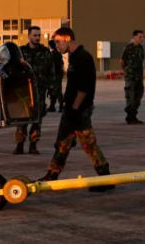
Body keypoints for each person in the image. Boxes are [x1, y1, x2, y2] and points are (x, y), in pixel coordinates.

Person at [40, 27, 114, 192]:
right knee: (64, 142)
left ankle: (106, 177)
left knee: (86, 143)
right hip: (73, 109)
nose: (57, 46)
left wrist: (74, 109)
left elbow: (83, 87)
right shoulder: (74, 57)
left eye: (58, 41)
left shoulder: (82, 57)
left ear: (67, 39)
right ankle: (52, 174)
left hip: (79, 110)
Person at [13, 26, 54, 154]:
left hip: (39, 92)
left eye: (38, 35)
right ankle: (20, 145)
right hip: (24, 91)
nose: (37, 38)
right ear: (29, 36)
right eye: (35, 35)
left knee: (37, 120)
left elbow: (51, 71)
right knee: (22, 119)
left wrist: (52, 89)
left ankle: (33, 145)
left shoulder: (45, 52)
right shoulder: (21, 52)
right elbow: (14, 70)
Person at [121, 30, 145, 124]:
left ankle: (133, 115)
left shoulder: (140, 48)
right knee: (131, 96)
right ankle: (131, 117)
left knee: (138, 95)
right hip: (131, 77)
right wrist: (127, 72)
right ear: (134, 37)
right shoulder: (128, 48)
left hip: (139, 76)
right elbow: (122, 61)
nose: (142, 39)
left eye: (143, 37)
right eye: (140, 37)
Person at [47, 39, 64, 113]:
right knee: (54, 91)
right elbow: (61, 64)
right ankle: (53, 106)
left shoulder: (53, 54)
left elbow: (51, 65)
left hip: (55, 75)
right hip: (58, 74)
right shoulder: (58, 53)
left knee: (56, 91)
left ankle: (60, 106)